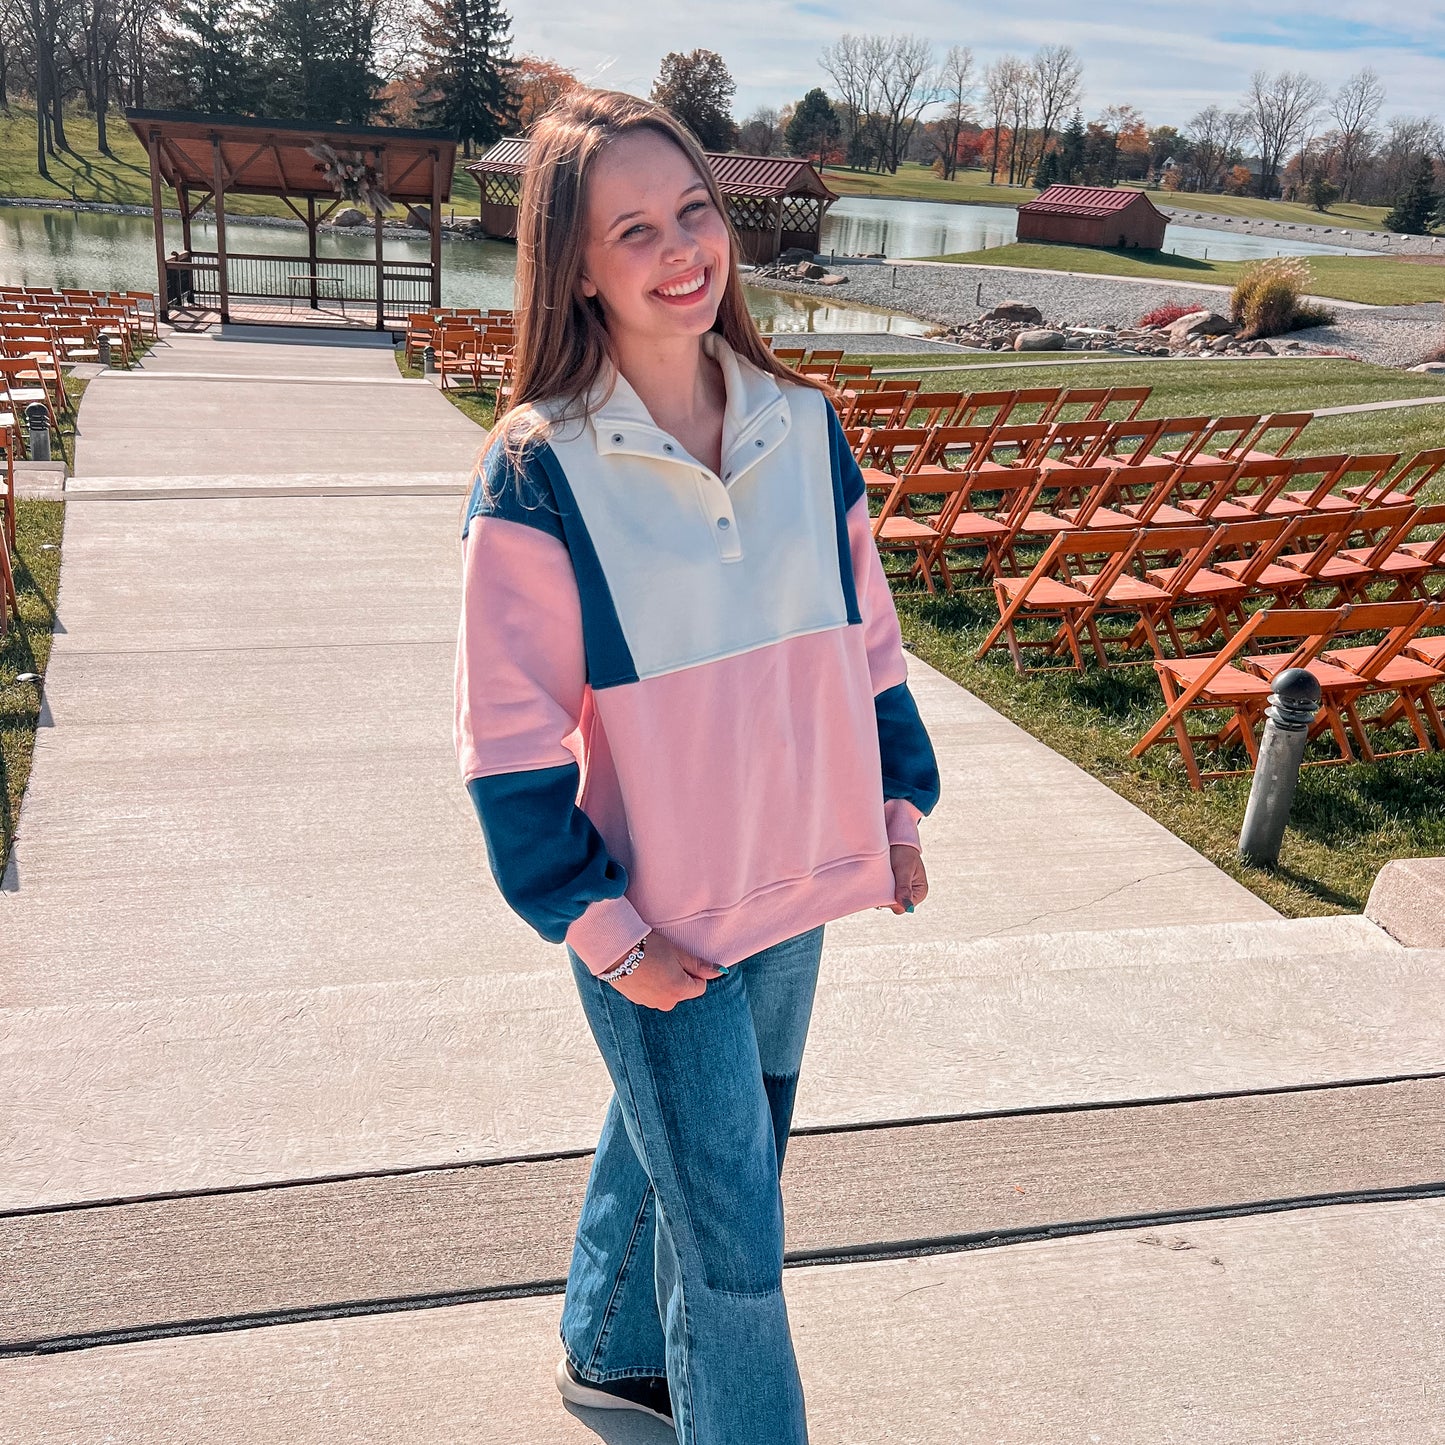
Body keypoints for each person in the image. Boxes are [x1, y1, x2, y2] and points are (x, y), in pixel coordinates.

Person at [453, 88, 940, 1444]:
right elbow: (506, 745)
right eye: (632, 230)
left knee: (714, 1147)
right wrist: (603, 930)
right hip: (654, 920)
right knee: (733, 1239)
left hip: (800, 888)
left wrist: (893, 809)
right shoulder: (539, 470)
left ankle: (606, 1346)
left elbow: (870, 646)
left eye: (693, 211)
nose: (681, 250)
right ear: (576, 268)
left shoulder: (804, 422)